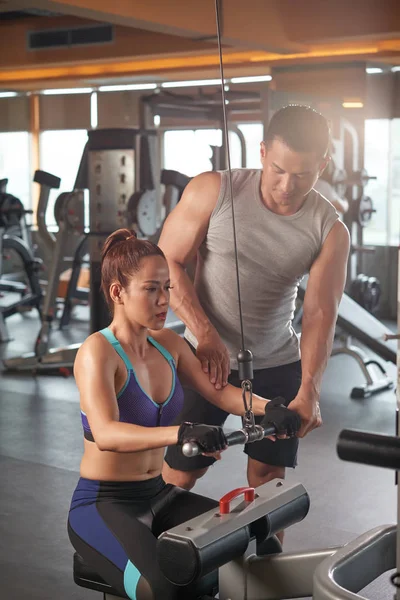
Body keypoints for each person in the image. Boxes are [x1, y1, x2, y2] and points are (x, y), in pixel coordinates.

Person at [67, 228, 301, 600]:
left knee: (257, 543)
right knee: (166, 590)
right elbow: (107, 433)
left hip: (160, 495)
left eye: (167, 288)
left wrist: (269, 408)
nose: (164, 301)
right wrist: (181, 433)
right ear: (117, 293)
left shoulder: (170, 346)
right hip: (104, 505)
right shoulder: (98, 352)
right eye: (151, 289)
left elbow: (220, 393)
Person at [159, 105, 350, 496]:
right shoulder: (213, 190)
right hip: (205, 359)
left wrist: (309, 390)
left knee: (267, 482)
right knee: (180, 474)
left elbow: (318, 313)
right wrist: (205, 333)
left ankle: (265, 558)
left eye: (302, 175)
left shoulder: (330, 230)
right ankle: (156, 556)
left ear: (324, 165)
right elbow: (166, 265)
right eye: (278, 170)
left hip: (278, 363)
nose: (286, 186)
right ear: (262, 152)